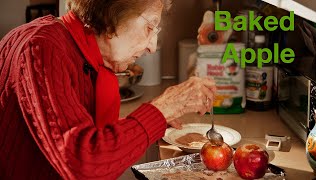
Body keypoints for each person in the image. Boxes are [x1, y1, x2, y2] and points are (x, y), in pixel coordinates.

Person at [0, 0, 216, 179]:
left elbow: (64, 132)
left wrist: (152, 120)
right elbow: (84, 165)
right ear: (111, 15)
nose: (152, 46)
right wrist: (161, 109)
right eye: (149, 26)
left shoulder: (77, 50)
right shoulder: (41, 48)